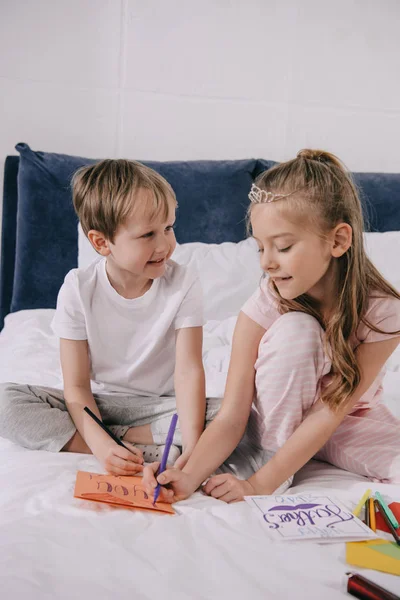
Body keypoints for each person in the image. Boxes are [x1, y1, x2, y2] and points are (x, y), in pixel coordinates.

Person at [143, 149, 400, 503]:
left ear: (338, 241)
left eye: (282, 247)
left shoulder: (385, 312)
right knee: (299, 331)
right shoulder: (267, 302)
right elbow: (233, 414)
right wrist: (190, 478)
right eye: (260, 248)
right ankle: (265, 458)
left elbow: (330, 413)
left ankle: (285, 461)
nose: (267, 263)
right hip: (269, 421)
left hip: (345, 419)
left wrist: (259, 484)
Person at [0, 159, 215, 475]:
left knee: (238, 414)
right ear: (101, 243)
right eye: (147, 235)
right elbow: (75, 386)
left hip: (161, 406)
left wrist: (195, 457)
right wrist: (102, 447)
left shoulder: (183, 282)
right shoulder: (78, 288)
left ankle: (142, 444)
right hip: (98, 404)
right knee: (6, 402)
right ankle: (133, 445)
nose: (165, 245)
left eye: (168, 228)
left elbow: (189, 373)